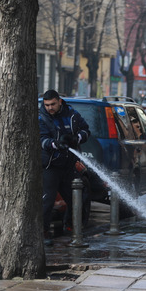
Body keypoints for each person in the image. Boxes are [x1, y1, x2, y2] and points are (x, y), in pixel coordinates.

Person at [39, 89, 90, 245]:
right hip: (51, 165)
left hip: (69, 164)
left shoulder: (72, 114)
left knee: (76, 197)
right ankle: (43, 232)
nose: (50, 108)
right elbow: (41, 140)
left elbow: (86, 130)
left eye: (53, 104)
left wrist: (77, 138)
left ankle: (71, 226)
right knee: (47, 201)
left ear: (59, 101)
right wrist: (55, 144)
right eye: (47, 105)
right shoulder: (41, 117)